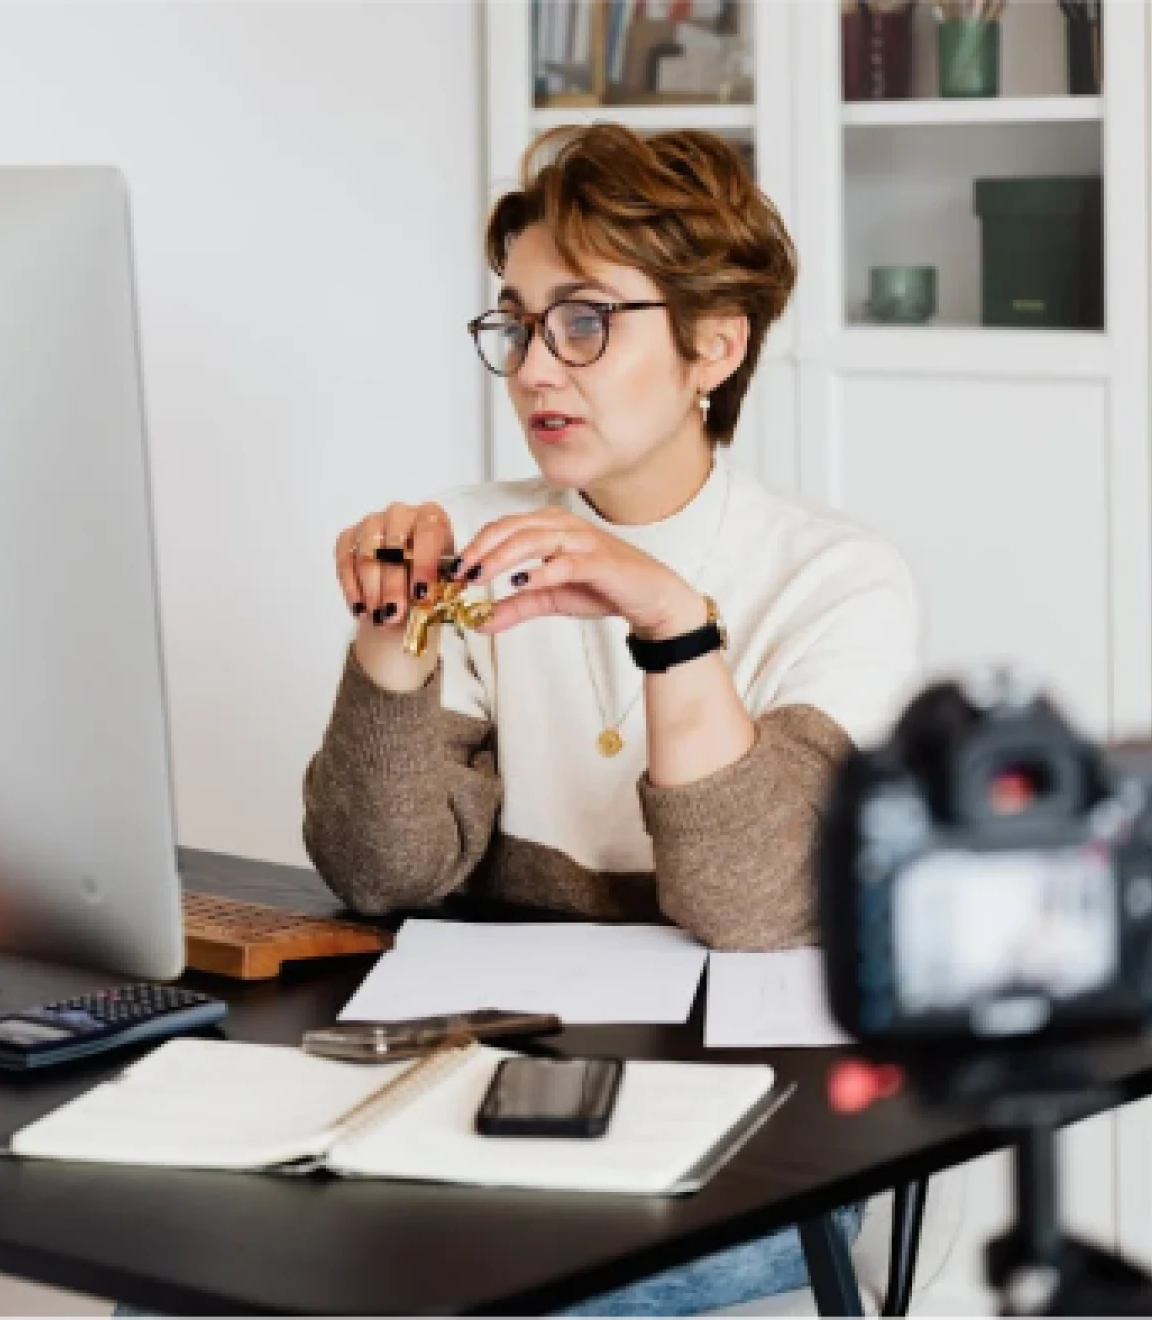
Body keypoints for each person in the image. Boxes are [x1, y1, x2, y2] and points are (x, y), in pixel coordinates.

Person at [300, 123, 923, 1316]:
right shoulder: (473, 540)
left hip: (768, 1136)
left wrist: (671, 623)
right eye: (518, 322)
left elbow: (751, 908)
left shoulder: (839, 579)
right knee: (194, 1279)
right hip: (497, 1094)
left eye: (584, 320)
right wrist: (391, 640)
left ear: (713, 346)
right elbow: (382, 871)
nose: (537, 368)